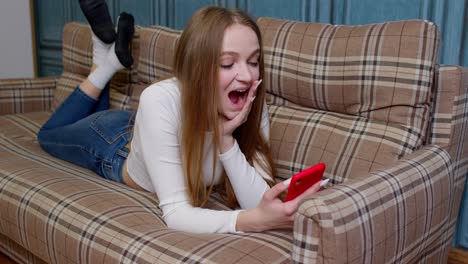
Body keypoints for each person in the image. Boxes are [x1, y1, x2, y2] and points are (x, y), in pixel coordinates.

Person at [38, 0, 321, 233]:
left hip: (149, 129)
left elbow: (259, 202)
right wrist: (247, 221)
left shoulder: (251, 104)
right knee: (48, 135)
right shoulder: (159, 98)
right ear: (196, 68)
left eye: (254, 61)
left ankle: (106, 56)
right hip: (113, 146)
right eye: (227, 63)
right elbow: (177, 213)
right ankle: (107, 63)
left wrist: (226, 140)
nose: (247, 76)